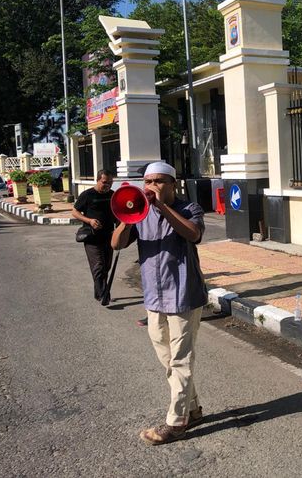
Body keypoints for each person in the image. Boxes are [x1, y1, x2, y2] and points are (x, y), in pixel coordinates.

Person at [111, 162, 208, 445]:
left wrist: (161, 208)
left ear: (173, 184)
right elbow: (116, 244)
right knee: (166, 358)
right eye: (147, 181)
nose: (151, 186)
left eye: (159, 181)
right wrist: (127, 215)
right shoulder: (139, 212)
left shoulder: (190, 208)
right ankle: (193, 409)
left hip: (184, 296)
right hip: (154, 297)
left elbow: (193, 234)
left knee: (180, 359)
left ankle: (176, 422)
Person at [72, 170, 116, 304]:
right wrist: (89, 220)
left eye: (110, 183)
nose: (107, 185)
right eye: (104, 183)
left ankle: (100, 292)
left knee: (106, 267)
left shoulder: (113, 195)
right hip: (92, 237)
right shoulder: (87, 195)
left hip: (109, 236)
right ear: (97, 180)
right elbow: (75, 212)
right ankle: (104, 295)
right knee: (98, 266)